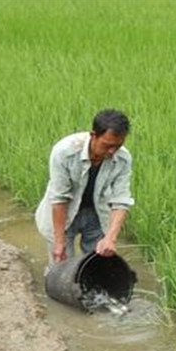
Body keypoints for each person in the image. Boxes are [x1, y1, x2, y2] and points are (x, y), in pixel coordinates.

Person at [35, 109, 134, 271]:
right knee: (60, 268)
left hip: (96, 213)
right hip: (64, 213)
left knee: (99, 265)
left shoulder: (122, 158)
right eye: (107, 145)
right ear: (93, 135)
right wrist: (59, 242)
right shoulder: (65, 152)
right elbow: (60, 198)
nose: (112, 152)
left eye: (118, 146)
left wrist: (111, 238)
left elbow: (121, 200)